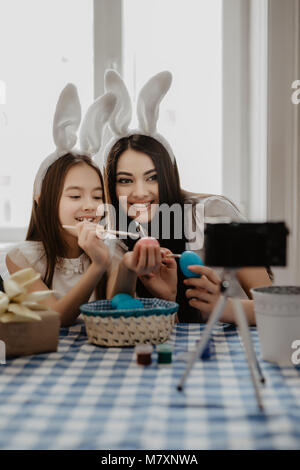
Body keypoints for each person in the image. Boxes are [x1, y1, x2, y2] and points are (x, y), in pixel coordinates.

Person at [99, 70, 272, 324]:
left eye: (152, 177)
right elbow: (120, 319)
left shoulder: (214, 215)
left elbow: (277, 307)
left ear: (168, 176)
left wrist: (222, 307)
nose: (139, 192)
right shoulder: (116, 240)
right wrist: (167, 299)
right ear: (112, 188)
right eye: (125, 180)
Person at [6, 84, 117, 327]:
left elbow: (117, 317)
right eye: (75, 196)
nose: (90, 206)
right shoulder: (20, 258)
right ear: (42, 199)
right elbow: (55, 319)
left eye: (98, 197)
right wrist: (98, 266)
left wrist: (125, 267)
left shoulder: (112, 249)